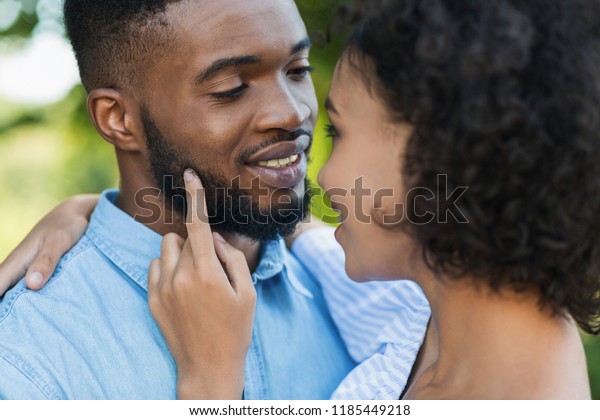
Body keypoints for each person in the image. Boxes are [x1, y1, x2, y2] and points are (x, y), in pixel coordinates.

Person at [115, 0, 600, 398]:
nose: (323, 177)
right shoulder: (425, 313)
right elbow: (304, 235)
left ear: (437, 153)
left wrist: (211, 381)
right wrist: (109, 212)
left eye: (338, 132)